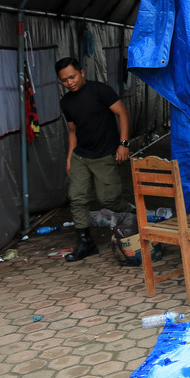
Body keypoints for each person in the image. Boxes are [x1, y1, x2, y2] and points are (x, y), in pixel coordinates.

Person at [56, 57, 132, 262]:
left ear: (82, 72)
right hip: (81, 155)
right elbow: (72, 131)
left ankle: (133, 215)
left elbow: (122, 113)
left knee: (107, 198)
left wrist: (123, 144)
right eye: (64, 80)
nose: (69, 82)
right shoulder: (66, 102)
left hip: (105, 154)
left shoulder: (101, 91)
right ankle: (85, 242)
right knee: (77, 197)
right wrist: (70, 157)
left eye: (72, 77)